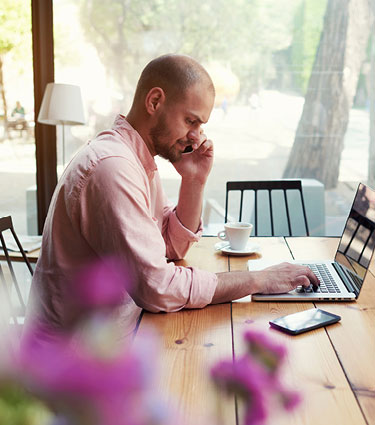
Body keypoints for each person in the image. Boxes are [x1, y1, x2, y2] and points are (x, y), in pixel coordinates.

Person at [25, 54, 318, 340]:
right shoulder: (113, 168)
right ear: (154, 101)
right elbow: (157, 287)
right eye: (191, 121)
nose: (196, 136)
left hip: (113, 342)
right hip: (69, 368)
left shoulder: (136, 160)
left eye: (200, 126)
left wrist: (193, 180)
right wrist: (260, 280)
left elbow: (170, 246)